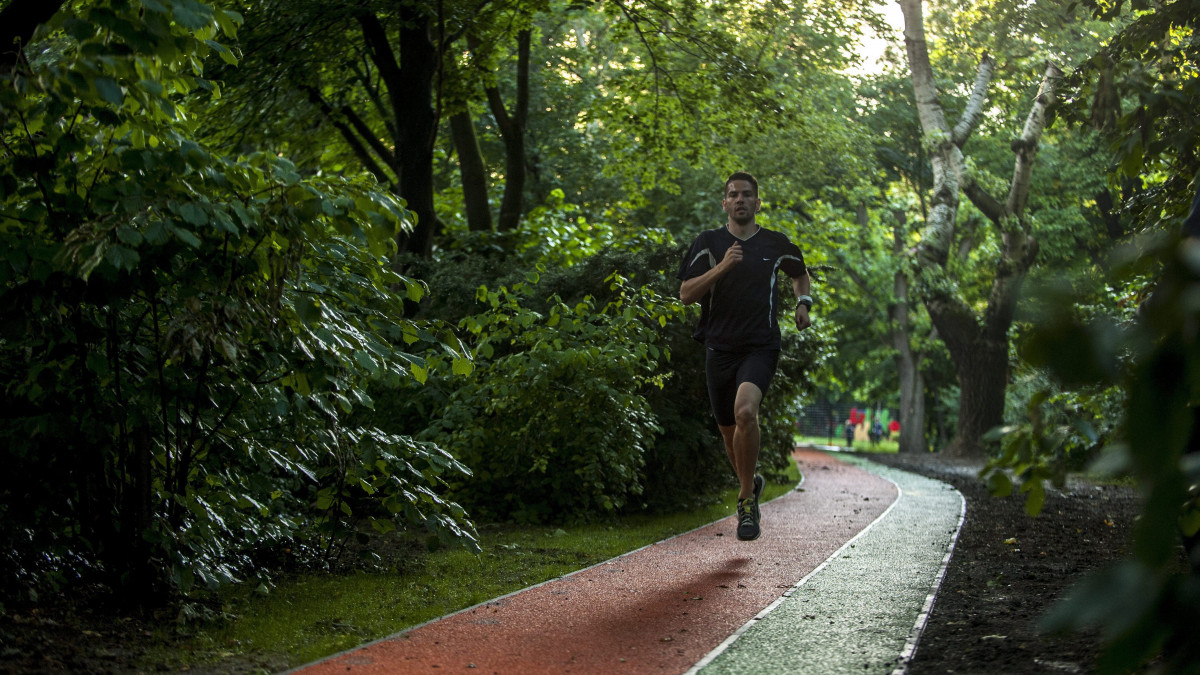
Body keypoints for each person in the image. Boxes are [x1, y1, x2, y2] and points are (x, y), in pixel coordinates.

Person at [677, 172, 812, 541]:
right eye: (733, 195)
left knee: (746, 412)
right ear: (724, 203)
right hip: (719, 349)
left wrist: (803, 302)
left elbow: (800, 273)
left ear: (757, 203)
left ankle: (746, 502)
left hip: (760, 346)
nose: (740, 200)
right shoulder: (708, 243)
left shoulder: (774, 243)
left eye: (747, 195)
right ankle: (750, 483)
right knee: (728, 431)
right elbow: (686, 294)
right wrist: (722, 267)